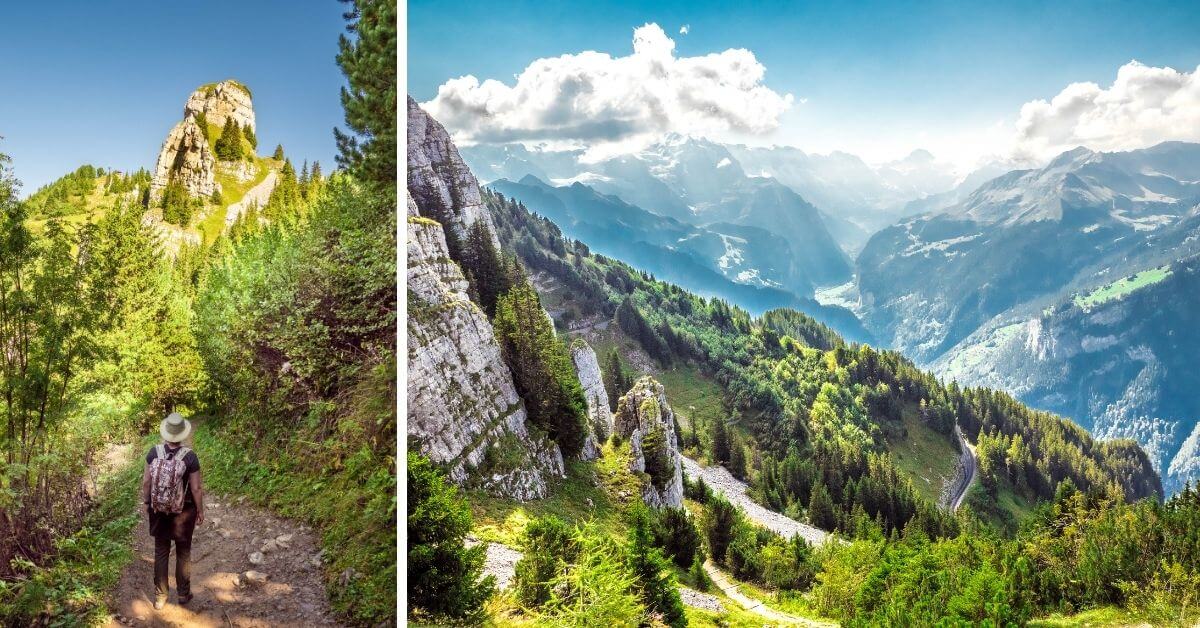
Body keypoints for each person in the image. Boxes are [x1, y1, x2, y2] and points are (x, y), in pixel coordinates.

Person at [141, 412, 205, 610]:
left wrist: (147, 502)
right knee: (183, 551)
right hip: (183, 512)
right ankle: (183, 594)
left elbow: (146, 482)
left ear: (166, 432)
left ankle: (160, 597)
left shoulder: (154, 453)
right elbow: (196, 488)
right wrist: (200, 510)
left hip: (158, 510)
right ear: (182, 433)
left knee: (161, 551)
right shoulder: (190, 457)